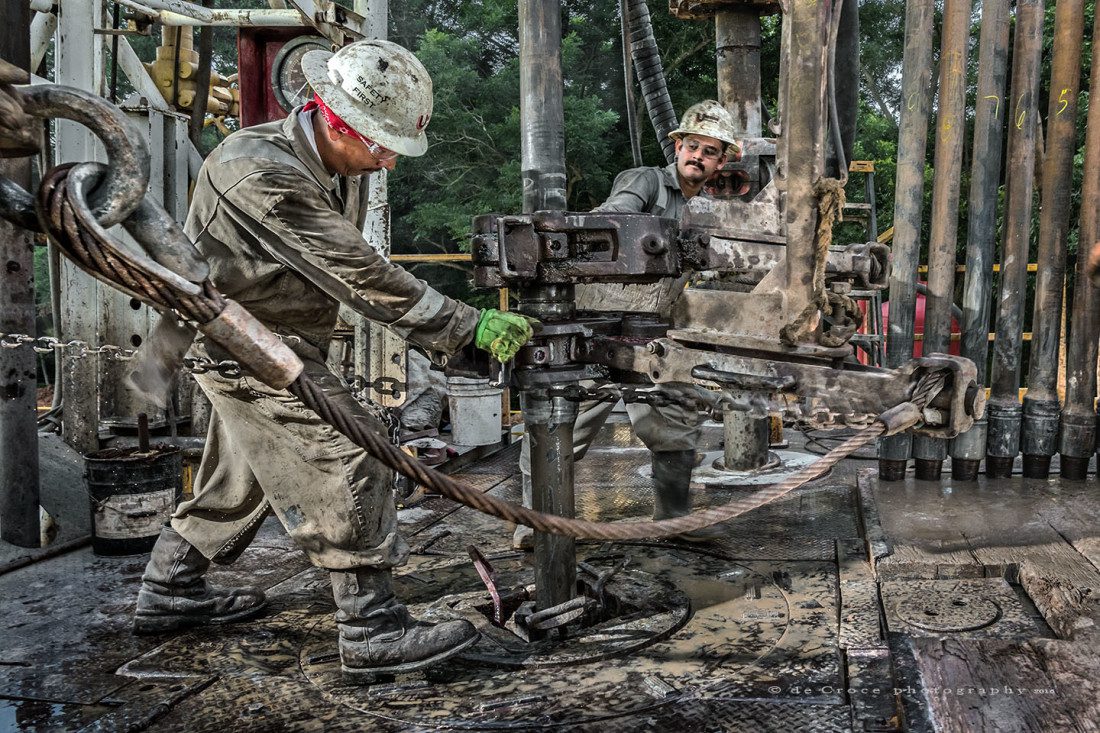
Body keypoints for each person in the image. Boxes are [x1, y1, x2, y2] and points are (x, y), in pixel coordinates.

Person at [130, 40, 533, 680]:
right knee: (354, 453)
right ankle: (370, 627)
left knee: (245, 474)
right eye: (380, 146)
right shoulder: (257, 170)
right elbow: (356, 270)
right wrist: (465, 326)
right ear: (334, 118)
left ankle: (168, 588)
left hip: (276, 337)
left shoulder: (340, 165)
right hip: (245, 343)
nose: (389, 163)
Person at [513, 100, 740, 550]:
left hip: (654, 327)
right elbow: (615, 222)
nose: (698, 156)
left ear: (721, 161)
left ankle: (672, 521)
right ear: (677, 146)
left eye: (709, 151)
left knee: (676, 416)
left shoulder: (707, 209)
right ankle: (536, 523)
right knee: (565, 420)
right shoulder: (646, 181)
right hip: (598, 320)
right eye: (692, 146)